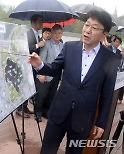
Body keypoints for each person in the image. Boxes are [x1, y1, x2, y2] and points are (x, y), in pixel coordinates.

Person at [28, 10, 119, 154]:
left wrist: (101, 123)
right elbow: (54, 68)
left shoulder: (110, 59)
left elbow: (107, 94)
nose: (87, 30)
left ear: (104, 34)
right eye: (87, 25)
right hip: (59, 111)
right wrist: (40, 65)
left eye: (94, 28)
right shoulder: (70, 47)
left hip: (83, 119)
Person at [16, 14, 45, 118]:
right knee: (24, 86)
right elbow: (25, 48)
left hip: (32, 65)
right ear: (33, 22)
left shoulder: (37, 34)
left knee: (29, 86)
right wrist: (38, 45)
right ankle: (19, 109)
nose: (41, 24)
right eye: (39, 22)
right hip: (26, 65)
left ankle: (25, 107)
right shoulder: (28, 33)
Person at [36, 24, 63, 122]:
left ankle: (46, 111)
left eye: (59, 33)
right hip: (46, 74)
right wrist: (41, 73)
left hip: (56, 75)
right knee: (41, 95)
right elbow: (42, 58)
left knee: (51, 95)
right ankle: (38, 112)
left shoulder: (62, 45)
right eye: (55, 33)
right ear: (51, 33)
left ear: (62, 34)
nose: (57, 35)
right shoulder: (46, 43)